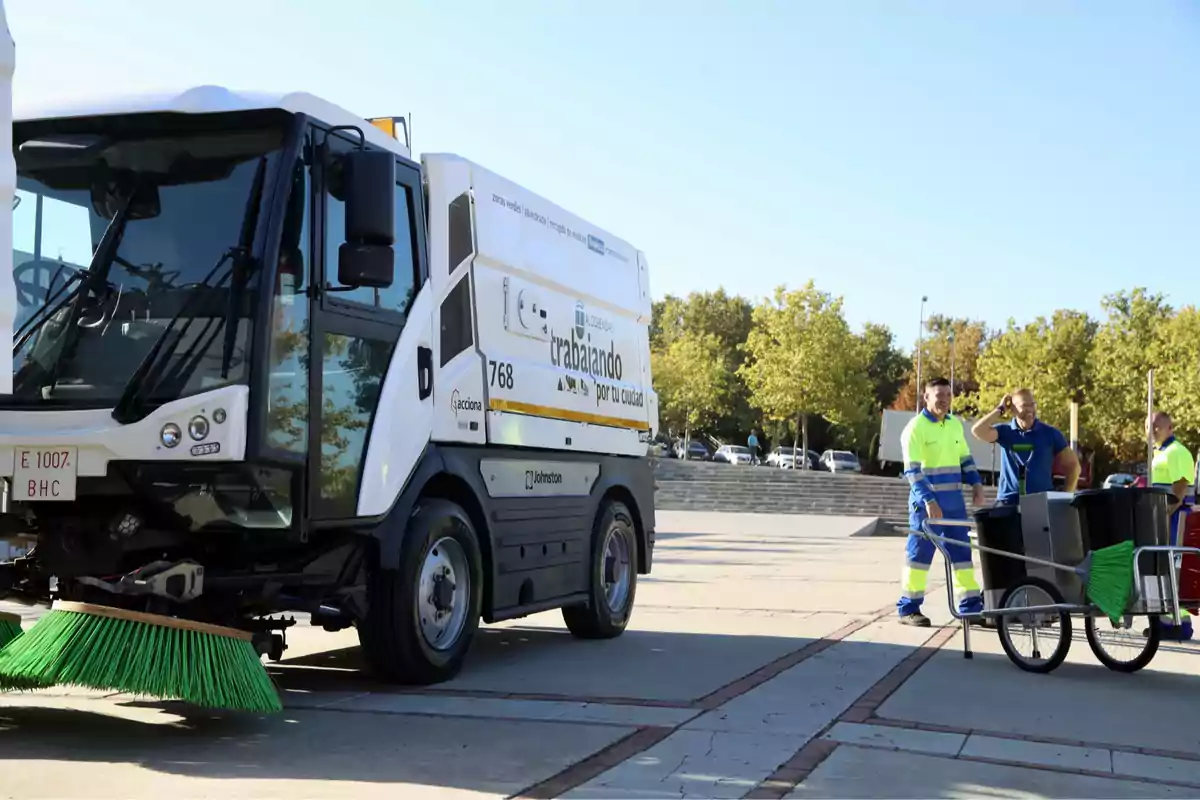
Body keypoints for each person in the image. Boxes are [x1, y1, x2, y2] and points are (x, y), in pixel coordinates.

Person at [898, 377, 987, 626]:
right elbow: (913, 471)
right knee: (919, 557)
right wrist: (929, 500)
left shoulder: (954, 425)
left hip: (954, 505)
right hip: (926, 507)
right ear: (926, 397)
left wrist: (977, 484)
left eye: (948, 394)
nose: (945, 399)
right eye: (939, 395)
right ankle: (908, 609)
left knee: (962, 555)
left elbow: (965, 458)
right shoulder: (915, 428)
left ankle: (970, 608)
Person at [971, 388, 1080, 505]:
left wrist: (1065, 497)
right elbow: (977, 431)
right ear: (1012, 409)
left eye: (1032, 405)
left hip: (1041, 502)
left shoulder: (1050, 434)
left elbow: (1073, 466)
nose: (1029, 409)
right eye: (1024, 405)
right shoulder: (1005, 431)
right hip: (1008, 502)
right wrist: (1000, 409)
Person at [1149, 411, 1195, 641]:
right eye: (1149, 426)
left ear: (1170, 428)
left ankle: (1179, 624)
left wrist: (1167, 513)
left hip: (1175, 518)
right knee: (1164, 568)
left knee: (1173, 568)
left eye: (1157, 426)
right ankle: (1169, 621)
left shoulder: (1176, 452)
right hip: (1165, 516)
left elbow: (1181, 485)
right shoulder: (1159, 452)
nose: (1152, 430)